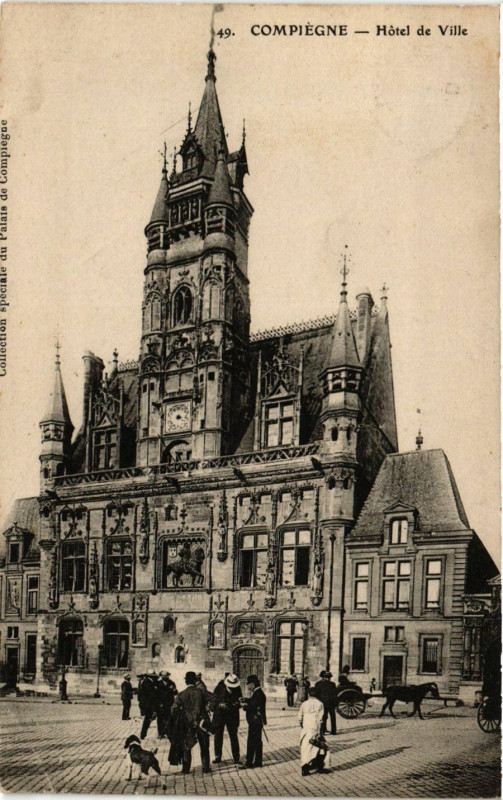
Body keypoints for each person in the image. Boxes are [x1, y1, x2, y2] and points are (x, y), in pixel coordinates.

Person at [171, 671, 211, 774]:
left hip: (187, 724)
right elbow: (214, 699)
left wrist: (183, 715)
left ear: (186, 682)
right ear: (195, 681)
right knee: (204, 746)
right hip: (202, 723)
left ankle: (186, 769)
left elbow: (174, 709)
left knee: (186, 746)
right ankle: (206, 768)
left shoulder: (181, 694)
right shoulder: (201, 692)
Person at [212, 673, 242, 765]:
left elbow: (239, 701)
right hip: (220, 715)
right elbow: (213, 701)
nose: (232, 688)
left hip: (232, 716)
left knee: (233, 736)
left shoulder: (238, 688)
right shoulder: (219, 687)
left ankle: (236, 757)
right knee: (218, 736)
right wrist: (220, 704)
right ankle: (217, 756)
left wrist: (236, 704)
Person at [298, 687, 328, 776]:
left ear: (309, 694)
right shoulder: (320, 704)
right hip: (315, 726)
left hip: (306, 727)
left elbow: (300, 717)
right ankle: (319, 766)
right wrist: (320, 730)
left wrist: (302, 725)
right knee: (319, 747)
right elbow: (321, 718)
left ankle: (305, 767)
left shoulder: (304, 704)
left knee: (306, 747)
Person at [240, 674, 267, 769]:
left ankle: (249, 762)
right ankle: (257, 761)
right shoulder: (258, 693)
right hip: (257, 721)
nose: (247, 686)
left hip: (255, 721)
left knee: (252, 741)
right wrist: (246, 700)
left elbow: (254, 706)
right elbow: (253, 701)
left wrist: (244, 706)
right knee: (257, 741)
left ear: (253, 684)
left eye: (248, 684)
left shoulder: (258, 694)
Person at [314, 671, 337, 735]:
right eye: (328, 677)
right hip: (331, 703)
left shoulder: (318, 684)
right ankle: (333, 731)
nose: (328, 678)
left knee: (323, 716)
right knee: (332, 717)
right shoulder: (332, 684)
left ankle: (323, 730)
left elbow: (316, 694)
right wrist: (335, 703)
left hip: (322, 703)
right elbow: (335, 694)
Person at [138, 670, 158, 740]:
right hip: (148, 705)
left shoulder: (148, 682)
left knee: (148, 720)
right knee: (147, 720)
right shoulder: (148, 683)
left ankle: (143, 734)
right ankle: (143, 735)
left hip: (147, 704)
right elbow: (151, 695)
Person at [156, 671, 177, 737]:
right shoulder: (158, 683)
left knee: (169, 718)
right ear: (161, 676)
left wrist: (174, 690)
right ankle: (160, 733)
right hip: (160, 704)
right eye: (163, 676)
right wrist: (159, 703)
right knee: (160, 719)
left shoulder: (171, 683)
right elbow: (156, 695)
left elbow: (175, 693)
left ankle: (168, 732)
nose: (164, 677)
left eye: (166, 676)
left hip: (169, 704)